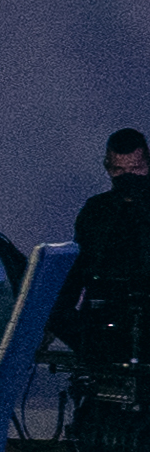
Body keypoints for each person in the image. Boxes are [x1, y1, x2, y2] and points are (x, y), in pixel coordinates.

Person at [65, 129, 150, 373]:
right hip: (103, 325)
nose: (128, 178)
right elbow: (78, 269)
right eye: (119, 171)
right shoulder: (96, 211)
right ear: (108, 168)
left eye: (136, 169)